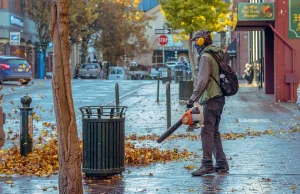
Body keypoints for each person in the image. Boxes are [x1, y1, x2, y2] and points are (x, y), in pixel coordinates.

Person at [186, 30, 229, 176]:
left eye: (196, 41)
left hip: (211, 98)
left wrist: (193, 98)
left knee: (206, 131)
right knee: (214, 131)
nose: (195, 45)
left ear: (201, 41)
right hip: (219, 98)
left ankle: (207, 165)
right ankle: (222, 164)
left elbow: (203, 80)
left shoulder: (205, 56)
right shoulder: (215, 54)